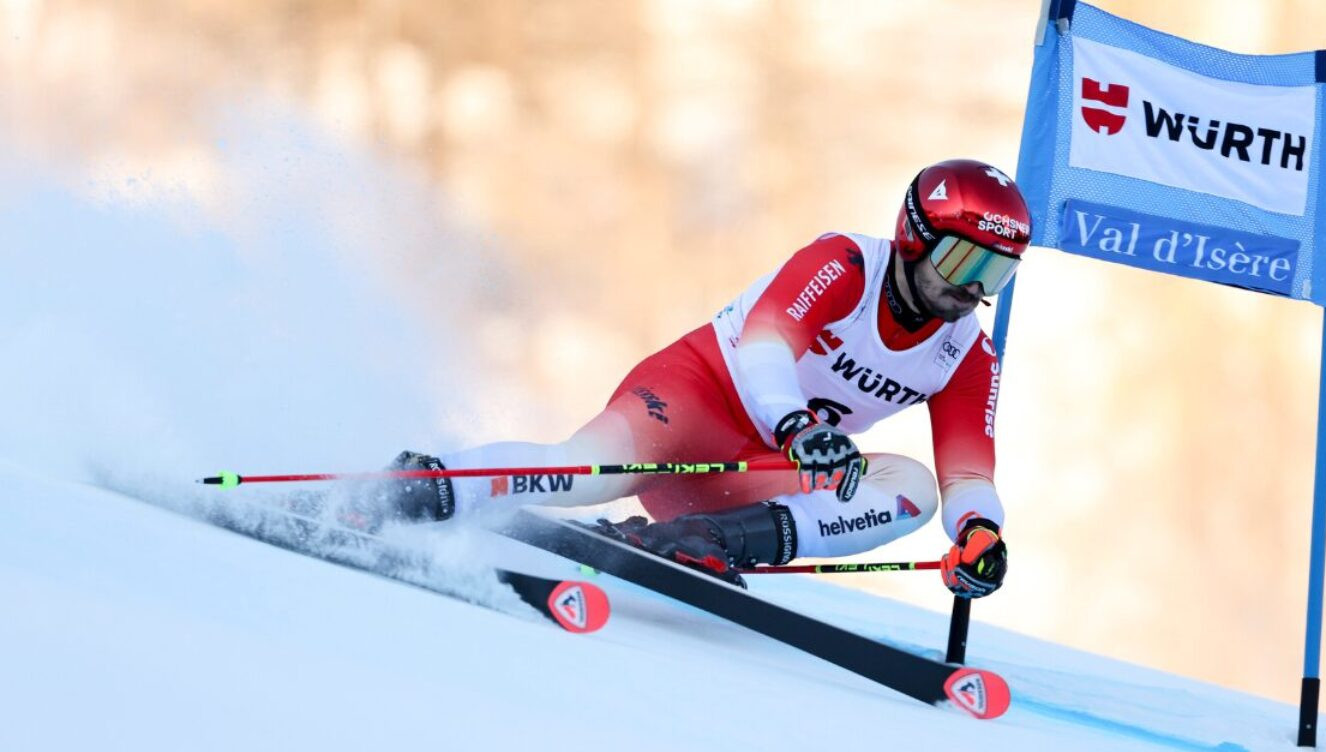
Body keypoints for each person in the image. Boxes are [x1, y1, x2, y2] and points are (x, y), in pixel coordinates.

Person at [374, 158, 1029, 598]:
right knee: (578, 473)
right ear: (915, 236)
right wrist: (798, 427)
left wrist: (979, 532)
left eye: (994, 273)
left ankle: (705, 542)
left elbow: (969, 475)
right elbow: (765, 345)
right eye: (964, 259)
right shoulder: (847, 265)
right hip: (688, 404)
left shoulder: (967, 354)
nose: (973, 288)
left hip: (749, 478)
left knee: (911, 487)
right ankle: (422, 487)